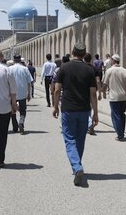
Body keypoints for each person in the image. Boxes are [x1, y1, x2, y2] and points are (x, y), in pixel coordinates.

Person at [53, 43, 98, 186]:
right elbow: (93, 94)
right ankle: (77, 165)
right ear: (84, 54)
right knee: (80, 139)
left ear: (72, 52)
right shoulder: (89, 70)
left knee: (69, 140)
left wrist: (55, 107)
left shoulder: (64, 68)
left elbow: (56, 90)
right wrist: (95, 113)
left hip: (68, 109)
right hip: (84, 110)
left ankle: (77, 167)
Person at [101, 54, 126, 141]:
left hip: (114, 98)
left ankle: (120, 134)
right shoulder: (124, 71)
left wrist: (103, 92)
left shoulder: (109, 71)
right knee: (122, 114)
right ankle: (121, 131)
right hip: (123, 97)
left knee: (116, 116)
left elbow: (104, 84)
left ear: (113, 61)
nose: (110, 61)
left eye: (111, 60)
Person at [8, 54, 33, 134]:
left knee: (12, 111)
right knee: (22, 111)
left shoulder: (9, 69)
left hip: (12, 94)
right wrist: (29, 93)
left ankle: (15, 127)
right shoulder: (25, 69)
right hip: (22, 94)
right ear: (20, 60)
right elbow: (29, 82)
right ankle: (21, 122)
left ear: (13, 60)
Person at [83, 53, 102, 135]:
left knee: (85, 109)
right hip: (93, 91)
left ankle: (89, 124)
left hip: (83, 91)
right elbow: (98, 81)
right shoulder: (94, 69)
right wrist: (100, 93)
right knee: (90, 108)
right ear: (91, 59)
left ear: (84, 59)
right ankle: (90, 125)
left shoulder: (82, 68)